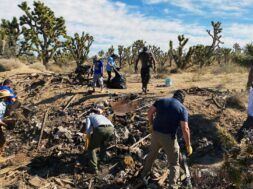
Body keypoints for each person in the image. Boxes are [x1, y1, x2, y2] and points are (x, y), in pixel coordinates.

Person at [141, 90, 192, 189]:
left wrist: (151, 124)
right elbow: (185, 128)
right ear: (183, 99)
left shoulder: (161, 101)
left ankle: (144, 175)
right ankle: (172, 186)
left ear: (174, 95)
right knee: (174, 163)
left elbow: (149, 112)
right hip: (169, 138)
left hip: (155, 134)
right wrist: (188, 145)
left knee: (152, 155)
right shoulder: (182, 108)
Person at [84, 103, 114, 174]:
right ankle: (102, 161)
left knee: (91, 148)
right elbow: (111, 124)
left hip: (100, 129)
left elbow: (88, 129)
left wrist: (87, 139)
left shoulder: (89, 117)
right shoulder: (102, 116)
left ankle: (94, 168)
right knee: (103, 145)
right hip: (111, 129)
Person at [0, 90, 13, 162]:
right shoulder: (0, 105)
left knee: (2, 140)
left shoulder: (3, 104)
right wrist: (5, 124)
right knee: (1, 140)